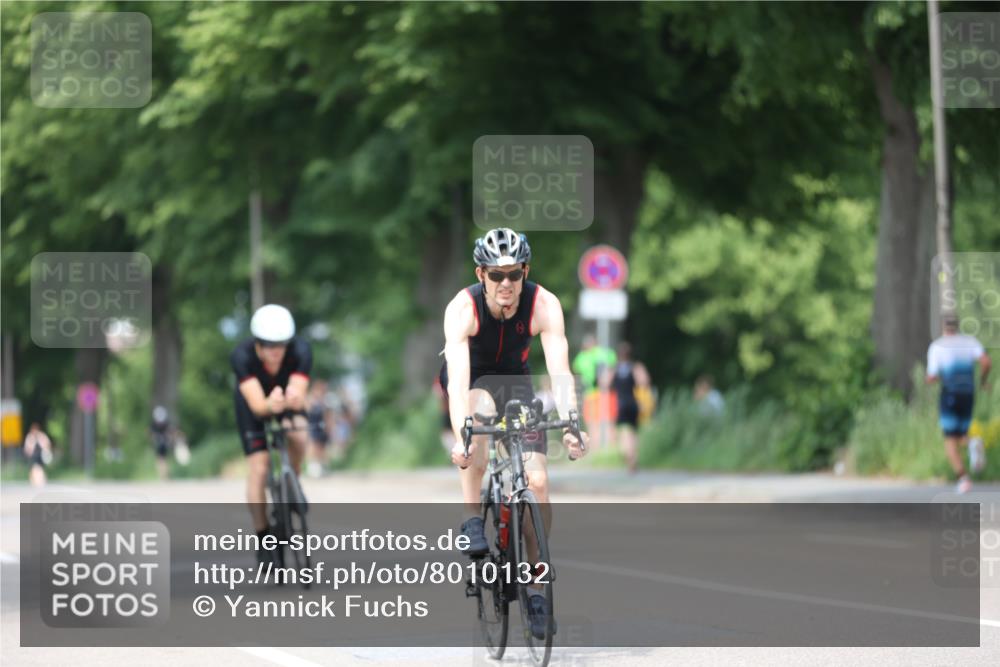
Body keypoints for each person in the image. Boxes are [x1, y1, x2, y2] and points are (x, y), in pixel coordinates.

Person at [440, 227, 589, 640]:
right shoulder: (462, 308)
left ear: (525, 271)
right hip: (472, 381)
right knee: (480, 424)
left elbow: (559, 370)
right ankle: (472, 517)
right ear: (481, 274)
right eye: (495, 275)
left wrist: (573, 423)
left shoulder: (545, 304)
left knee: (538, 483)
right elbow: (457, 383)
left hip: (517, 382)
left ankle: (536, 588)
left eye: (514, 275)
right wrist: (462, 437)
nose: (506, 284)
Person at [231, 304, 312, 562]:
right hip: (254, 404)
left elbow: (299, 395)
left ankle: (293, 481)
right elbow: (257, 405)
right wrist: (269, 404)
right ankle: (263, 535)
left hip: (285, 401)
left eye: (281, 345)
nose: (276, 351)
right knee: (260, 468)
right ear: (257, 343)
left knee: (299, 435)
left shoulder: (301, 351)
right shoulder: (241, 356)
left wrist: (292, 399)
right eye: (268, 345)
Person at [926, 312, 992, 494]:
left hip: (950, 395)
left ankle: (963, 478)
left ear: (942, 326)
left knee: (950, 439)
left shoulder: (937, 346)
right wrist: (983, 381)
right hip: (968, 393)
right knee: (962, 433)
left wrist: (930, 379)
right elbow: (986, 361)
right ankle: (973, 442)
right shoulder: (970, 342)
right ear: (957, 325)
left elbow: (932, 376)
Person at [600, 342, 651, 474]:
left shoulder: (614, 368)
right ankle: (633, 456)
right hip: (633, 402)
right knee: (633, 431)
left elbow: (604, 384)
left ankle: (627, 454)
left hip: (620, 403)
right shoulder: (635, 367)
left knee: (622, 431)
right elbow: (644, 382)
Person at [572, 334, 616, 448]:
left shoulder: (581, 357)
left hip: (591, 393)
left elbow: (577, 371)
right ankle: (609, 449)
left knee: (593, 423)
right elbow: (613, 363)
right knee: (608, 421)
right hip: (605, 393)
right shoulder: (605, 352)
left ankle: (596, 449)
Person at [306, 380, 332, 477]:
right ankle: (313, 467)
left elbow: (328, 415)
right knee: (313, 446)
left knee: (322, 448)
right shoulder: (310, 400)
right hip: (312, 426)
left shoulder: (325, 401)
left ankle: (322, 466)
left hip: (322, 427)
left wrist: (329, 427)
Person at [23, 422, 52, 487]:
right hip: (33, 456)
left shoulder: (41, 436)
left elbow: (47, 444)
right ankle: (35, 481)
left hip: (40, 456)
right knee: (34, 469)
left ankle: (40, 481)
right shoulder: (30, 437)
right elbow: (27, 448)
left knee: (38, 468)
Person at [150, 405, 172, 479]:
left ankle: (163, 475)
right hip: (163, 443)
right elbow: (169, 433)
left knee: (160, 460)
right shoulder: (165, 423)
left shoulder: (155, 424)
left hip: (160, 443)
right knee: (163, 459)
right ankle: (164, 475)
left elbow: (151, 435)